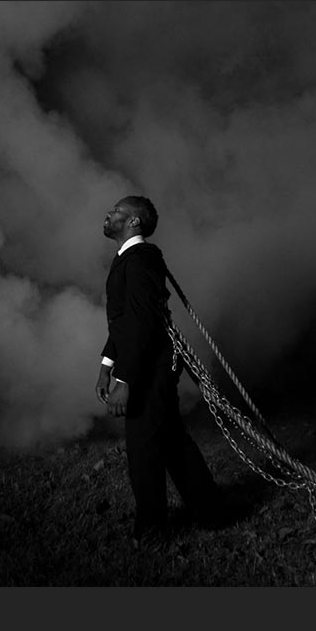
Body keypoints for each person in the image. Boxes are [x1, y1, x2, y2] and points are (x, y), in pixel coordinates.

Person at [96, 195, 223, 542]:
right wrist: (107, 364)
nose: (109, 214)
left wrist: (124, 379)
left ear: (134, 221)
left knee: (143, 450)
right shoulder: (132, 260)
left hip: (148, 369)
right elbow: (124, 324)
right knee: (170, 441)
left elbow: (141, 327)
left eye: (117, 211)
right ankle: (212, 512)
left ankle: (151, 530)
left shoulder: (139, 262)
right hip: (148, 364)